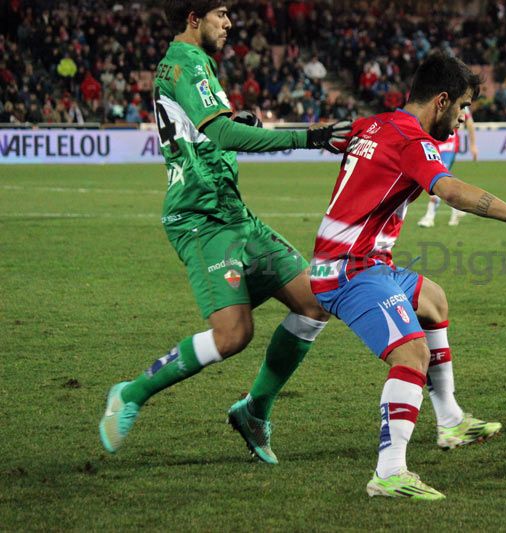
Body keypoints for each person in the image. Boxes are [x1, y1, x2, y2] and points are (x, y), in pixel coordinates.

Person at [99, 0, 350, 464]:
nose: (229, 23)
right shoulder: (187, 64)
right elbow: (224, 137)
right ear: (194, 19)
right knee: (234, 335)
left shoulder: (191, 65)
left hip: (234, 214)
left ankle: (255, 410)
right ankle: (132, 392)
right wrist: (309, 136)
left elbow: (210, 131)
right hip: (200, 220)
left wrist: (237, 122)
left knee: (315, 303)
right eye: (220, 14)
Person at [310, 52, 506, 500]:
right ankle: (389, 472)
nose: (463, 117)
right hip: (350, 269)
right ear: (442, 100)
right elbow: (452, 191)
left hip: (365, 262)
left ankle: (450, 421)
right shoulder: (412, 139)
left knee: (434, 301)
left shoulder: (375, 124)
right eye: (463, 107)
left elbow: (335, 143)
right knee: (411, 355)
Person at [417, 107, 479, 227]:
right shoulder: (437, 98)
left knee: (437, 179)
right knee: (440, 178)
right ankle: (458, 208)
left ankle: (430, 216)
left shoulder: (461, 102)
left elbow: (469, 123)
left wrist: (473, 145)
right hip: (434, 143)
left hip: (448, 146)